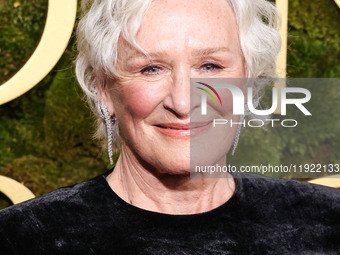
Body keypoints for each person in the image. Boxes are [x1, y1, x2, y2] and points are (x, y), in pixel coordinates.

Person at [0, 0, 339, 254]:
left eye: (210, 66)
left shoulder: (328, 222)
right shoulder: (20, 238)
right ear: (104, 89)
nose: (182, 100)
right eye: (151, 68)